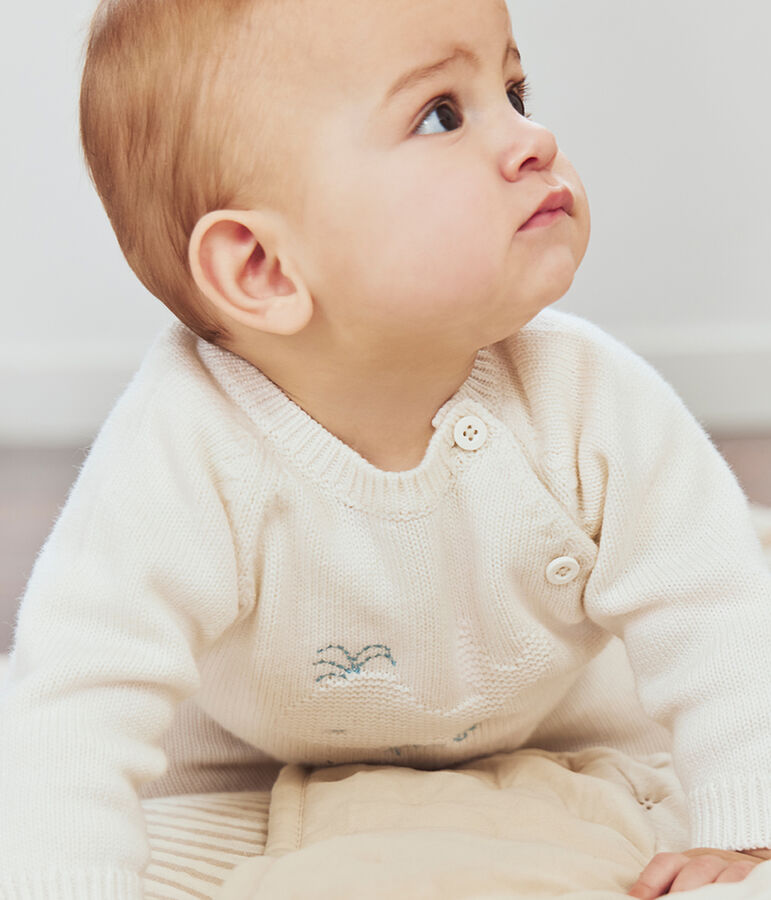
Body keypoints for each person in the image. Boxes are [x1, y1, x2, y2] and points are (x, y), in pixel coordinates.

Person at [1, 0, 769, 897]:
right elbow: (77, 695)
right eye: (441, 113)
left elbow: (715, 610)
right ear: (262, 268)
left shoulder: (588, 397)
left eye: (513, 89)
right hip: (246, 767)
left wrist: (743, 824)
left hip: (569, 737)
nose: (534, 136)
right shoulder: (180, 447)